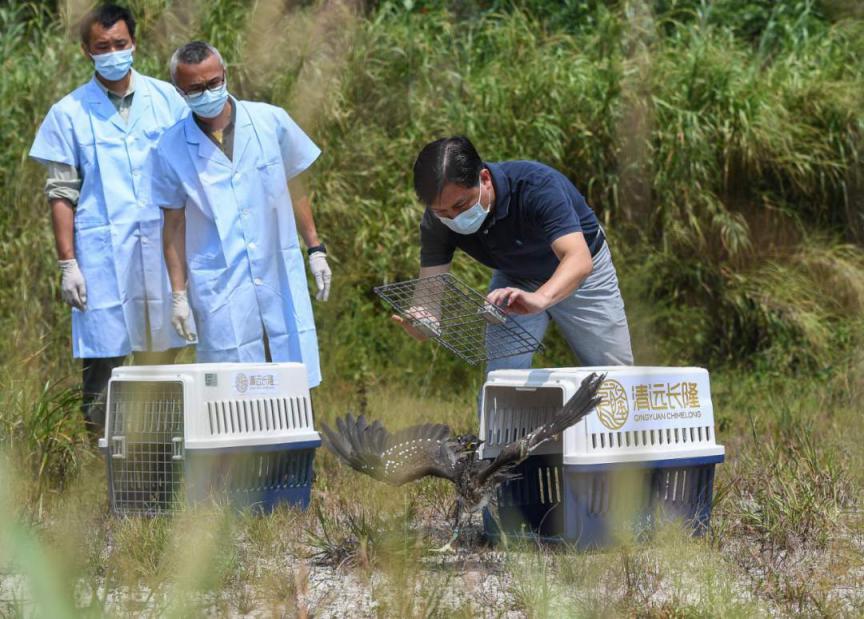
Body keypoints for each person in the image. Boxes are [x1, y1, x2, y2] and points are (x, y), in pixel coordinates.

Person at [29, 4, 191, 434]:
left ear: (133, 43)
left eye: (120, 44)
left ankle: (159, 463)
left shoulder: (167, 100)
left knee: (161, 363)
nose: (113, 52)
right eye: (103, 46)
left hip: (161, 249)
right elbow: (61, 193)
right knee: (104, 365)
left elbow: (190, 175)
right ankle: (104, 468)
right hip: (101, 254)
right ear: (87, 50)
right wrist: (68, 264)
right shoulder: (70, 112)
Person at [150, 41, 330, 388]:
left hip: (275, 264)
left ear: (225, 75)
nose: (208, 92)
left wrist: (316, 249)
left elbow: (295, 184)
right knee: (233, 387)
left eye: (214, 82)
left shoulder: (270, 121)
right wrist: (178, 295)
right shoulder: (169, 146)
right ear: (179, 91)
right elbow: (173, 225)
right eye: (196, 88)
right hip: (221, 277)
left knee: (291, 373)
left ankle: (297, 445)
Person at [394, 136, 633, 371]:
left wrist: (539, 298)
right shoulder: (437, 222)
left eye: (461, 206)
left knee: (614, 375)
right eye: (441, 211)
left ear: (484, 179)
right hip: (515, 279)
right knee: (502, 377)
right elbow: (430, 292)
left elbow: (578, 259)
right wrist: (423, 319)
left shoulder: (536, 186)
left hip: (584, 276)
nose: (453, 217)